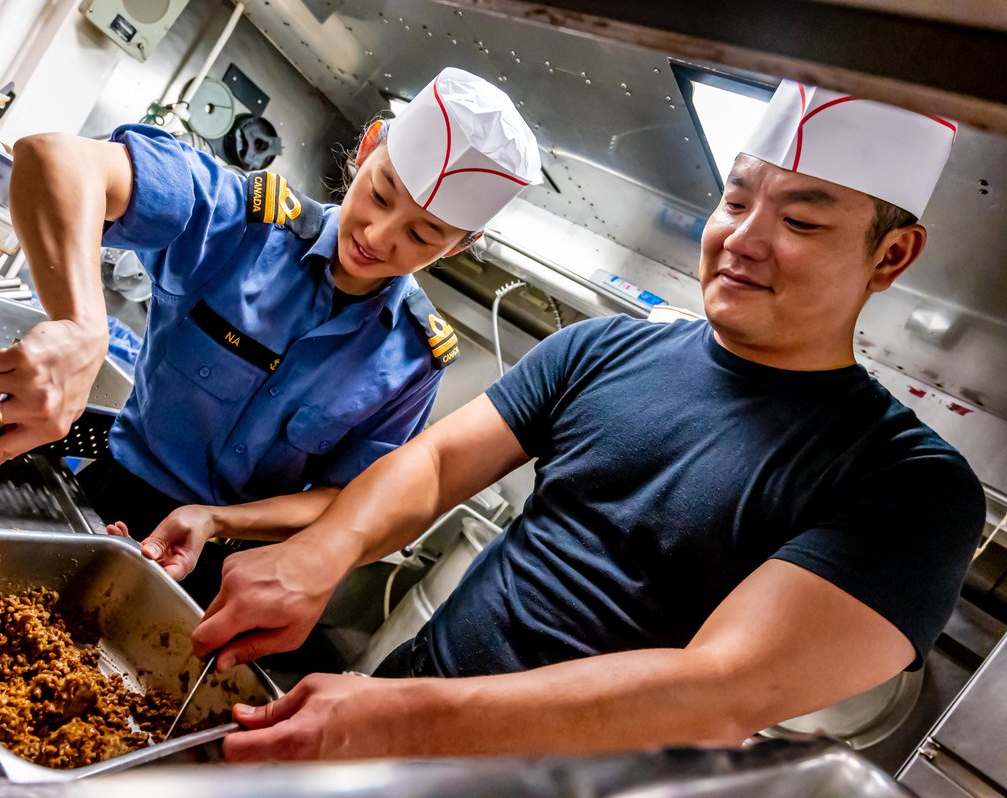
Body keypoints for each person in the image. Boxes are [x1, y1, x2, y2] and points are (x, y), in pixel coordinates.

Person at [190, 80, 986, 761]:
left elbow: (716, 690)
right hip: (389, 718)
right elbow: (433, 466)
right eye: (736, 199)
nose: (742, 240)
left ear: (891, 257)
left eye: (802, 223)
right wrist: (324, 550)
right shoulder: (606, 348)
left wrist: (405, 719)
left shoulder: (911, 488)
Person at [0, 68, 541, 596]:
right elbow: (53, 160)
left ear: (461, 246)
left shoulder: (413, 358)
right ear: (367, 148)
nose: (380, 237)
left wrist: (219, 520)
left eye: (422, 235)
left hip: (220, 564)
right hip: (101, 497)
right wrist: (81, 323)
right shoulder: (241, 222)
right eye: (380, 194)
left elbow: (344, 500)